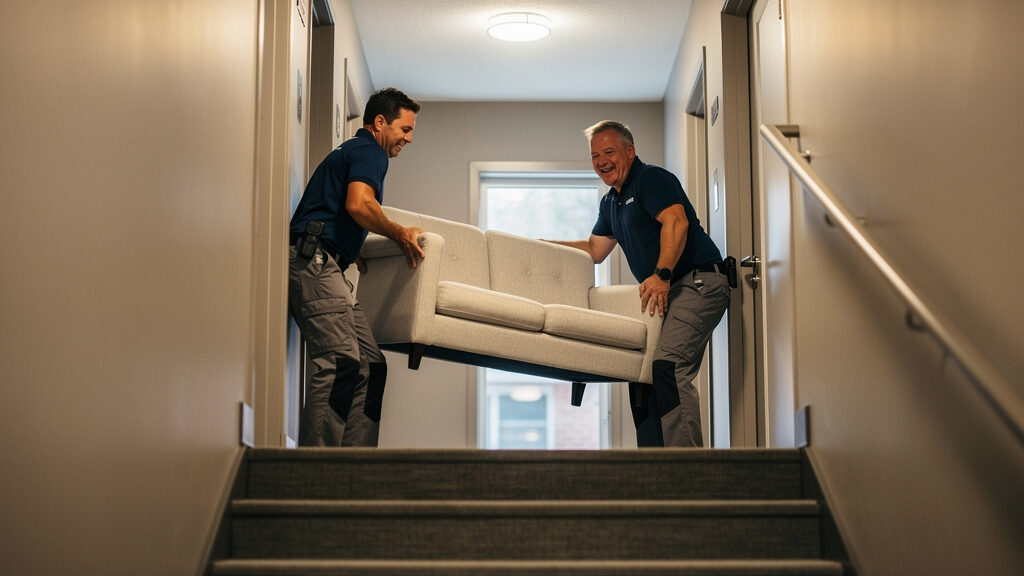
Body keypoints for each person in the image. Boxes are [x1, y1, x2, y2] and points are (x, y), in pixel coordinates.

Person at [550, 120, 732, 447]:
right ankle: (654, 468)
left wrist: (661, 275)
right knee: (642, 374)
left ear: (630, 152)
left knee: (667, 367)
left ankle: (690, 473)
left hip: (699, 282)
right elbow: (594, 250)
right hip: (670, 292)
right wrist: (542, 244)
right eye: (595, 155)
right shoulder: (611, 203)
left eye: (609, 152)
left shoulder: (651, 179)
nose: (602, 161)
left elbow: (676, 221)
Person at [288, 87, 425, 447]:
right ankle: (314, 476)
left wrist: (355, 246)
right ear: (380, 123)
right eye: (405, 130)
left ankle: (356, 469)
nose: (409, 139)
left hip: (327, 262)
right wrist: (398, 234)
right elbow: (359, 204)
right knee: (341, 362)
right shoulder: (369, 151)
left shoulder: (354, 151)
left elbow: (341, 208)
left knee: (371, 366)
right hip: (314, 263)